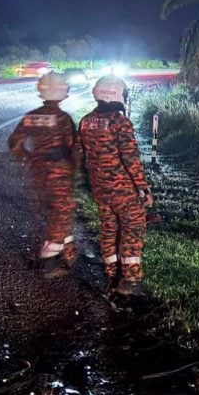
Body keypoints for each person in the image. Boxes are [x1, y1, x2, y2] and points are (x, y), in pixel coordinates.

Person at [78, 75, 153, 298]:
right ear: (118, 94)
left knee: (109, 229)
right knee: (133, 227)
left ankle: (112, 275)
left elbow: (80, 154)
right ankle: (131, 280)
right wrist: (144, 189)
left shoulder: (86, 121)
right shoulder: (120, 122)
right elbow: (131, 159)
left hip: (99, 188)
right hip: (122, 189)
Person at [7, 72, 82, 279]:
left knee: (49, 212)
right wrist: (76, 169)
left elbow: (14, 142)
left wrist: (28, 157)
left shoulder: (31, 116)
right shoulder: (62, 118)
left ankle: (67, 251)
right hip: (59, 173)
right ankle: (49, 261)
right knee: (61, 211)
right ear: (62, 92)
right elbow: (75, 148)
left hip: (38, 172)